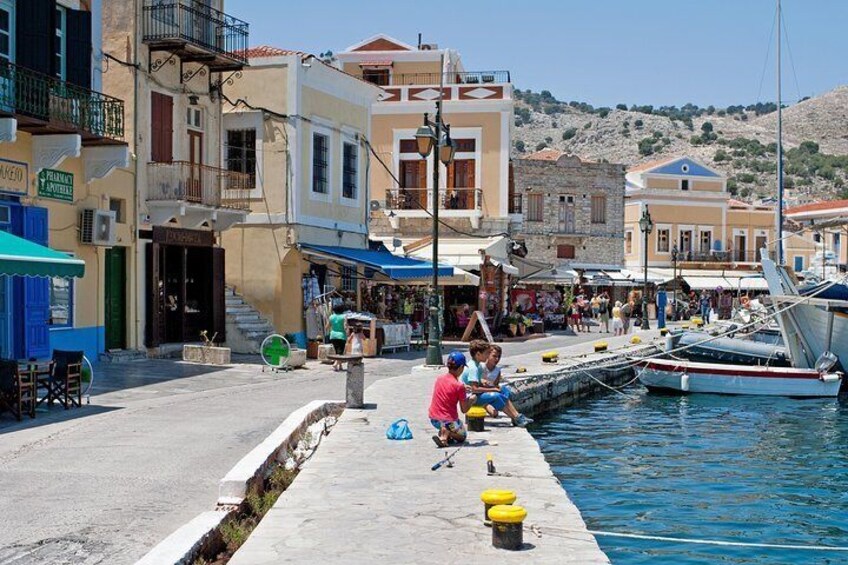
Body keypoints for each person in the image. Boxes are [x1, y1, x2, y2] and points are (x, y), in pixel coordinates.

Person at [475, 345, 533, 427]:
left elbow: (495, 385)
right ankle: (516, 417)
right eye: (494, 356)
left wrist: (494, 387)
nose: (497, 359)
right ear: (488, 355)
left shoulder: (497, 371)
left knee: (505, 390)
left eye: (499, 357)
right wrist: (483, 381)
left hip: (490, 391)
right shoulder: (481, 367)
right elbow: (475, 382)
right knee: (498, 398)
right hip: (482, 393)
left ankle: (515, 416)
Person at [429, 351, 477, 448]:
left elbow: (449, 386)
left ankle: (444, 435)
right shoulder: (459, 386)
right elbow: (464, 410)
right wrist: (472, 400)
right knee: (462, 435)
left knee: (452, 426)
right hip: (448, 421)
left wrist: (463, 386)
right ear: (460, 368)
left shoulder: (440, 379)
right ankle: (446, 433)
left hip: (433, 419)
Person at [327, 303, 347, 372]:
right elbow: (345, 326)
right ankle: (335, 364)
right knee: (340, 352)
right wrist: (348, 333)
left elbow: (327, 326)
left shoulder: (331, 317)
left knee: (337, 351)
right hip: (341, 336)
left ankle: (340, 366)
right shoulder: (344, 316)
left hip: (333, 335)